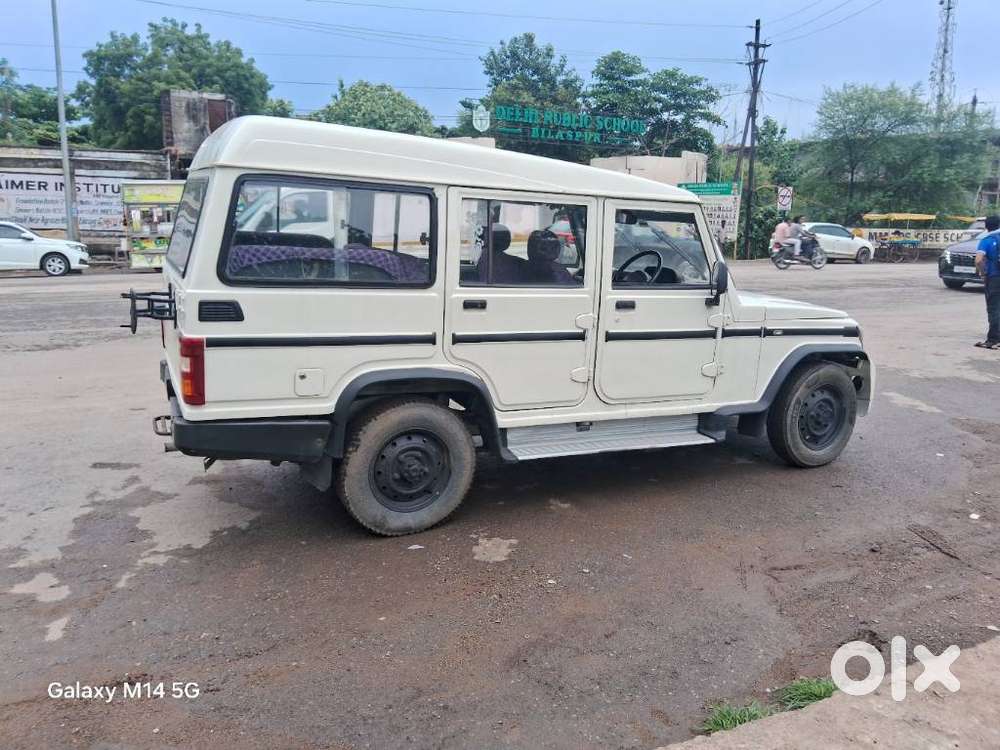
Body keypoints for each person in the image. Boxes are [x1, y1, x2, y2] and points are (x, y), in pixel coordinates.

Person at [974, 215, 1000, 349]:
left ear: (986, 226)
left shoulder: (987, 240)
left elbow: (978, 260)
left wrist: (983, 273)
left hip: (994, 277)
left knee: (994, 308)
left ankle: (994, 339)